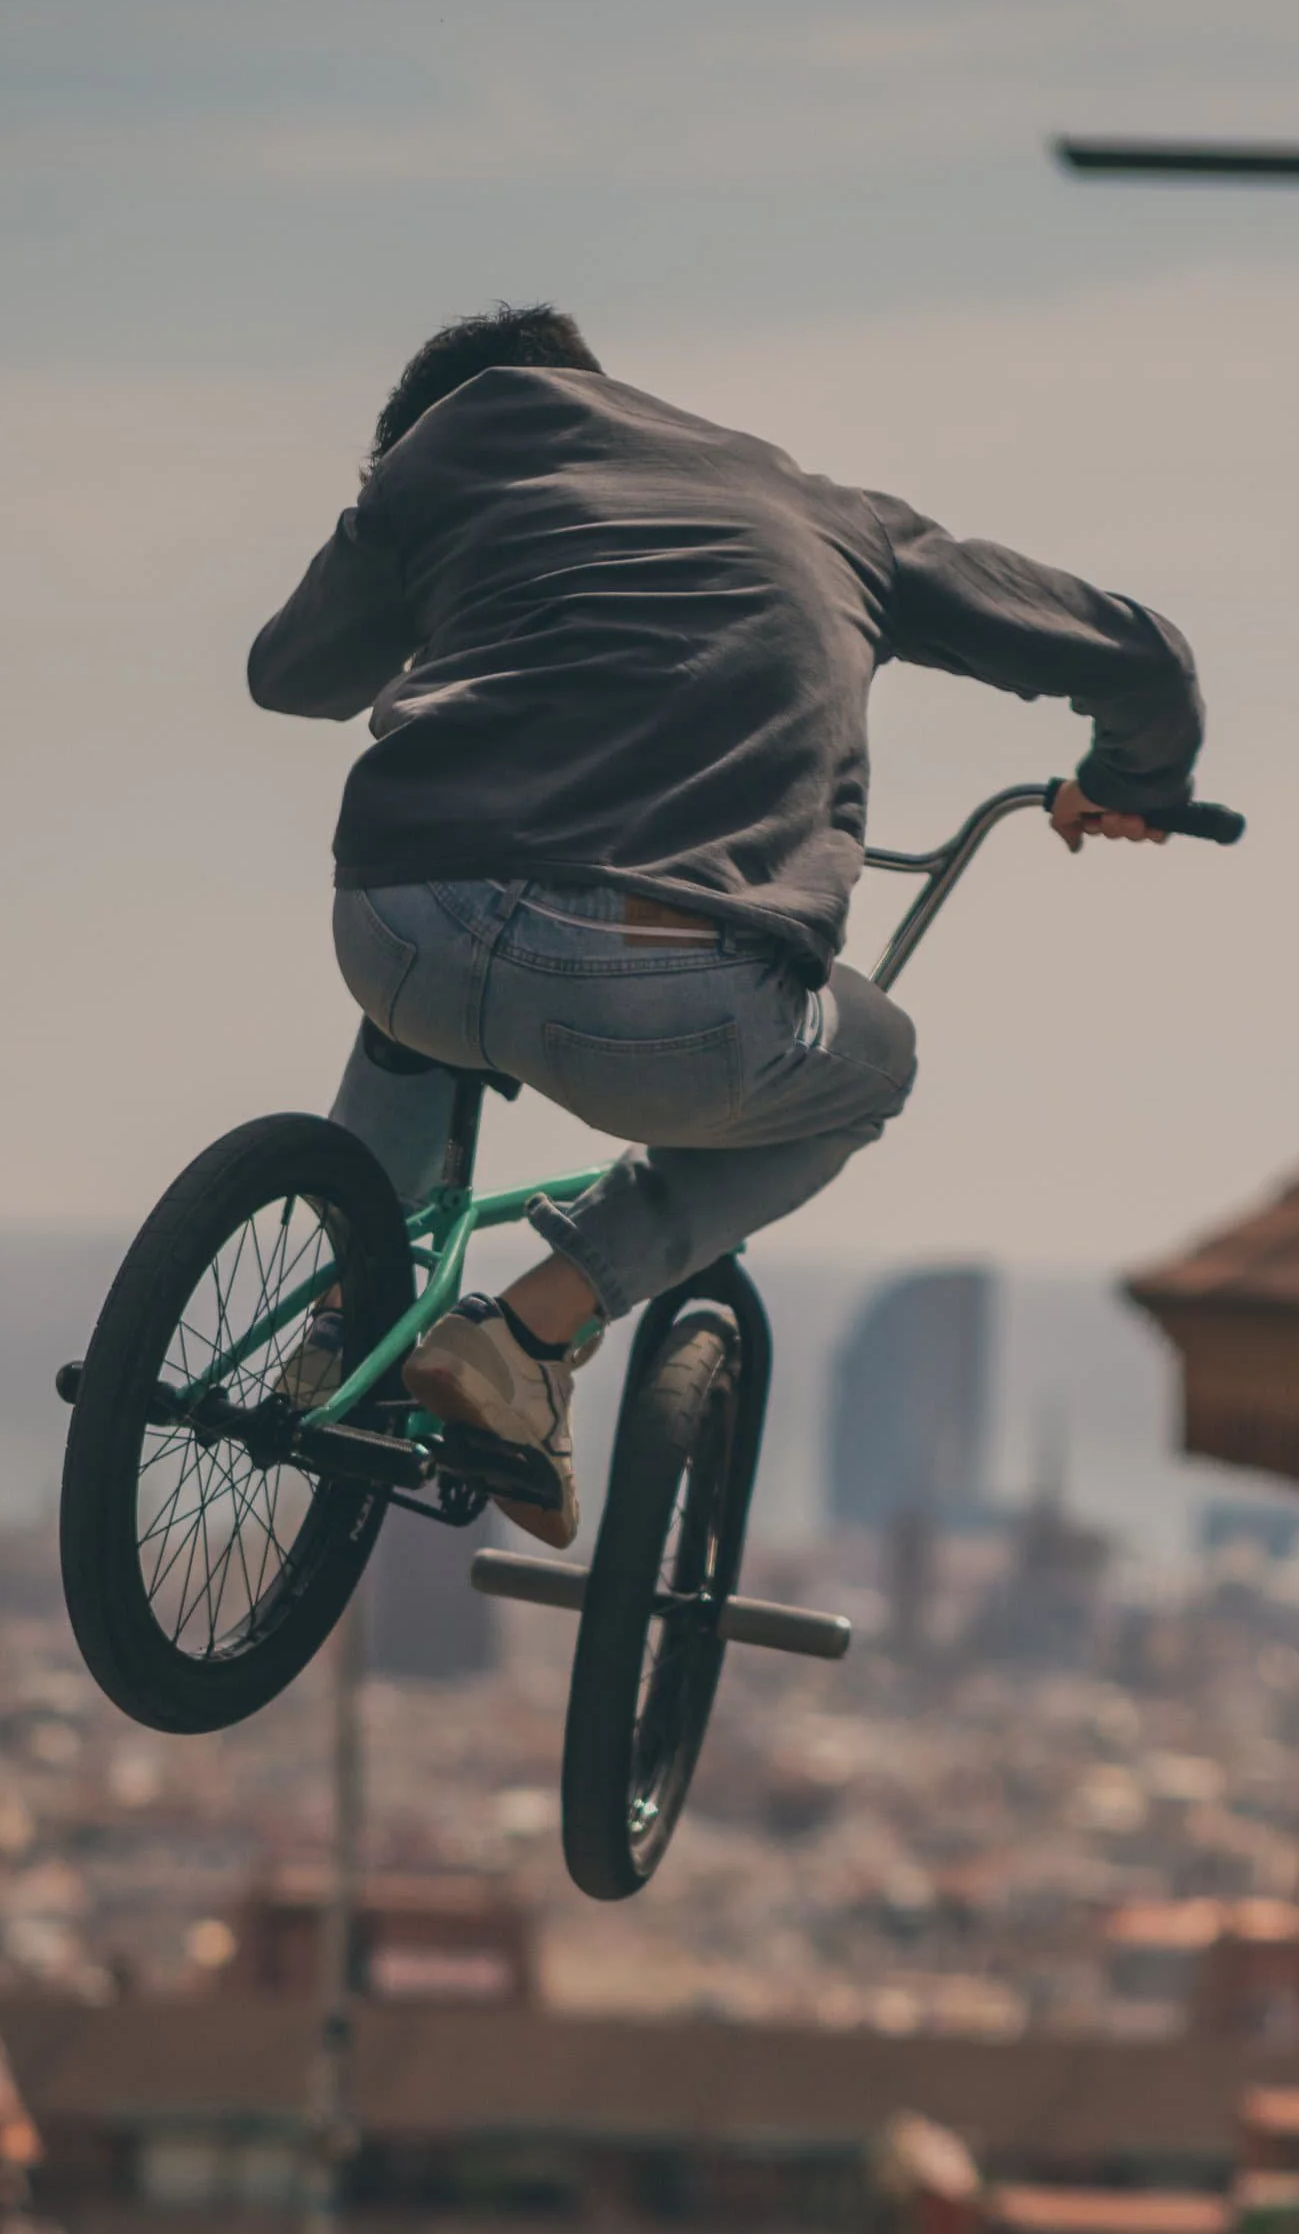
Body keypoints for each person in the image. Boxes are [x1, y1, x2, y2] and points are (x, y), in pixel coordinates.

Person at [249, 304, 1204, 1544]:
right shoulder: (837, 520)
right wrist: (1133, 781)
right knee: (876, 1063)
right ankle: (533, 1333)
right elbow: (1142, 660)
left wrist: (441, 579)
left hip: (398, 918)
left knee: (433, 974)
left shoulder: (446, 453)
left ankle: (338, 1320)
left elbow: (292, 676)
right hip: (664, 989)